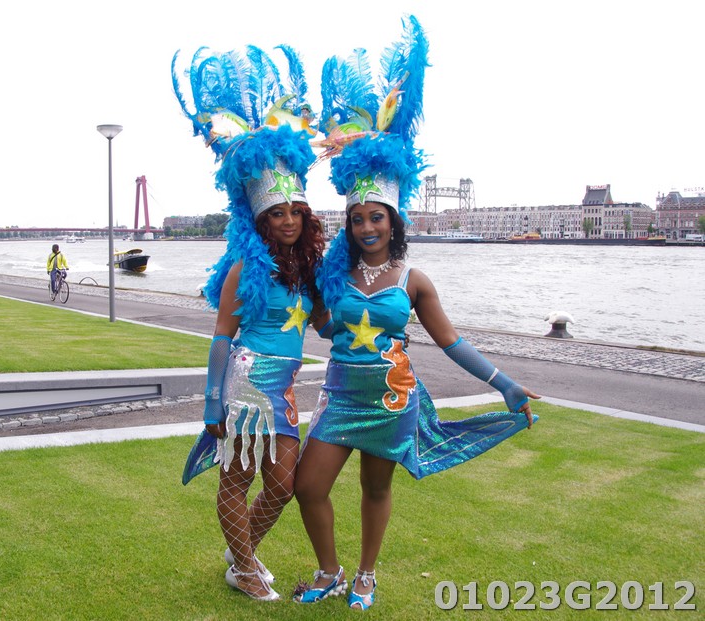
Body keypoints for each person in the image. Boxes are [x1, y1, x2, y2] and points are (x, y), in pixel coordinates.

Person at [293, 18, 540, 610]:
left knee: (375, 488)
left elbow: (452, 342)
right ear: (349, 223)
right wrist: (291, 302)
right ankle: (328, 571)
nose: (367, 227)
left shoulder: (414, 279)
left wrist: (504, 384)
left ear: (393, 221)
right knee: (308, 485)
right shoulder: (333, 274)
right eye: (358, 218)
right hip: (340, 396)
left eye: (377, 218)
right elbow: (322, 327)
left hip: (390, 399)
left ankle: (364, 574)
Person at [174, 44, 326, 601]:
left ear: (305, 216)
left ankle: (240, 554)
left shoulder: (310, 271)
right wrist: (211, 404)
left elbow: (327, 325)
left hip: (284, 388)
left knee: (283, 485)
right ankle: (243, 567)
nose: (287, 221)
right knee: (237, 479)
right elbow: (221, 336)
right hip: (245, 383)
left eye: (294, 213)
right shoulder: (244, 268)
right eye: (276, 213)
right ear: (260, 219)